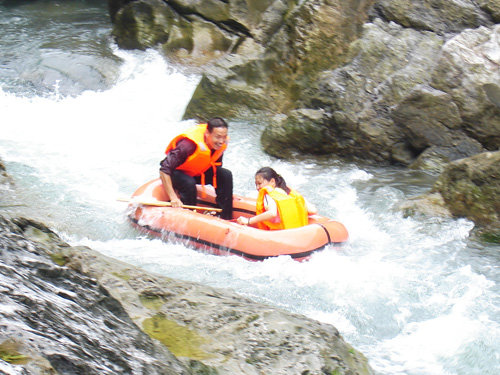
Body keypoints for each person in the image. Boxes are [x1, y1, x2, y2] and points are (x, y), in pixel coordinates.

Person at [159, 118, 233, 219]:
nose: (221, 141)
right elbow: (164, 169)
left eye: (224, 137)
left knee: (225, 175)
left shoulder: (221, 144)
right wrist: (173, 197)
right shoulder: (188, 145)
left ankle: (225, 216)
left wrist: (225, 193)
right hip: (176, 173)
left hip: (197, 172)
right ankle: (188, 216)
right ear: (207, 133)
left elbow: (216, 167)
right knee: (188, 182)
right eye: (218, 137)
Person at [237, 167, 317, 230]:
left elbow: (272, 213)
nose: (257, 187)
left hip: (280, 235)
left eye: (259, 183)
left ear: (272, 181)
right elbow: (312, 210)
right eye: (256, 184)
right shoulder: (290, 193)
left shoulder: (269, 195)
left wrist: (248, 221)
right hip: (297, 232)